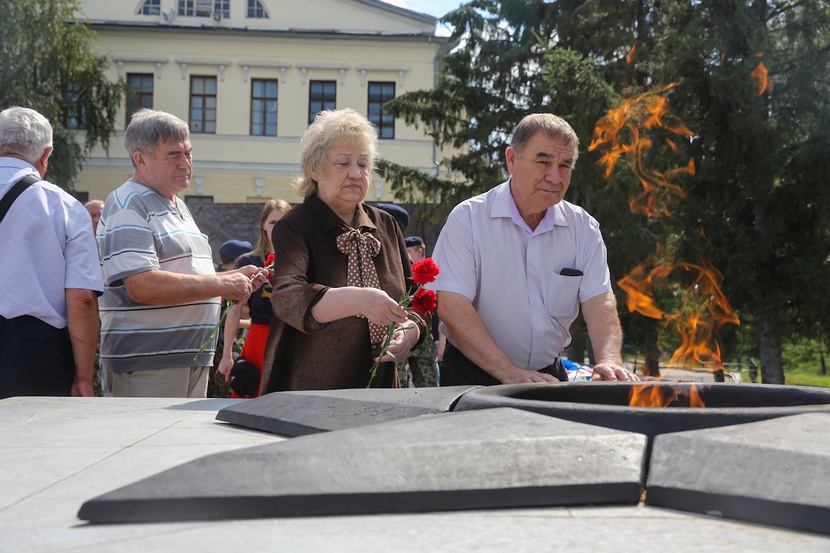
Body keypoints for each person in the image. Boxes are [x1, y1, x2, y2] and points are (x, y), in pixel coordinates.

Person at [429, 113, 638, 385]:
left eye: (565, 165)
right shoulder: (467, 219)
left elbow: (599, 301)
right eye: (543, 162)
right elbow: (452, 308)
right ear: (512, 160)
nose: (554, 177)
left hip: (548, 376)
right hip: (472, 376)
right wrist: (509, 373)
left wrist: (609, 361)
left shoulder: (583, 228)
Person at [97, 109, 268, 398]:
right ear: (140, 159)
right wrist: (222, 284)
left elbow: (182, 275)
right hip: (149, 362)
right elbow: (142, 285)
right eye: (173, 154)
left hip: (184, 358)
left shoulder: (175, 204)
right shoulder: (129, 204)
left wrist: (232, 277)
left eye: (188, 153)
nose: (186, 163)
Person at [259, 108, 428, 392]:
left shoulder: (386, 225)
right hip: (312, 389)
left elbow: (416, 298)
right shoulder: (295, 226)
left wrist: (410, 332)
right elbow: (287, 297)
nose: (356, 173)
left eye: (363, 163)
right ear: (314, 169)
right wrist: (356, 300)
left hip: (380, 387)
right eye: (343, 163)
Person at [0, 106, 103, 398]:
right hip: (33, 355)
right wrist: (83, 378)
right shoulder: (65, 206)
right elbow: (82, 299)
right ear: (46, 154)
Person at [218, 199, 292, 397]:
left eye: (284, 222)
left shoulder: (301, 260)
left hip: (292, 339)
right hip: (258, 338)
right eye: (273, 222)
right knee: (253, 400)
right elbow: (234, 310)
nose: (278, 228)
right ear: (263, 225)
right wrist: (227, 355)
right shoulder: (249, 262)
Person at [404, 235, 439, 387]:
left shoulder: (432, 273)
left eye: (408, 252)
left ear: (419, 251)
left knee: (427, 382)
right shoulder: (402, 272)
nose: (405, 255)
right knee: (400, 383)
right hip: (401, 335)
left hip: (423, 340)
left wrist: (441, 342)